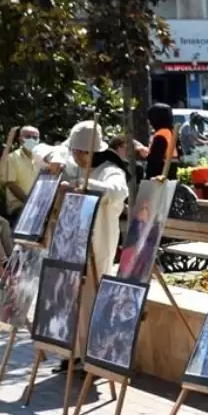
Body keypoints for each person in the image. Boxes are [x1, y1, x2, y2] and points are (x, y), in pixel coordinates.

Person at [57, 120, 131, 372]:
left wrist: (86, 184)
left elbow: (117, 191)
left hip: (98, 246)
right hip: (77, 246)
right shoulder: (81, 168)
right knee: (75, 301)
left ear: (86, 153)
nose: (74, 158)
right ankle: (74, 353)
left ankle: (91, 356)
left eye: (77, 153)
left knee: (93, 300)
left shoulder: (111, 171)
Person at [0, 126, 41, 230]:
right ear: (20, 139)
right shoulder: (12, 158)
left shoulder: (40, 158)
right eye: (28, 136)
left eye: (35, 137)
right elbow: (11, 184)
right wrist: (29, 202)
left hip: (39, 206)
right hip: (20, 207)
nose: (32, 140)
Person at [145, 103, 176, 182]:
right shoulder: (170, 132)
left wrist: (144, 153)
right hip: (170, 176)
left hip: (158, 180)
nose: (149, 121)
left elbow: (155, 159)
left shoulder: (161, 135)